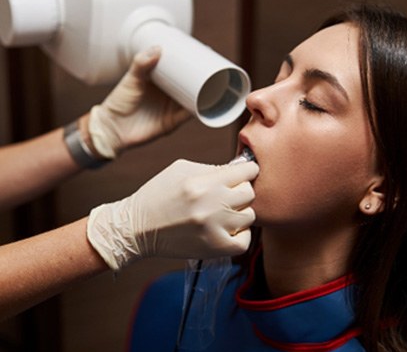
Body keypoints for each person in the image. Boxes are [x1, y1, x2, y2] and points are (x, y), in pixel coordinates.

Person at [128, 4, 407, 352]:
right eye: (281, 76)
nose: (257, 99)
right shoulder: (170, 306)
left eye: (313, 103)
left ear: (382, 190)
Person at [0, 46, 259, 320]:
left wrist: (98, 133)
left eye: (310, 103)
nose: (256, 98)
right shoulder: (162, 303)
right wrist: (117, 231)